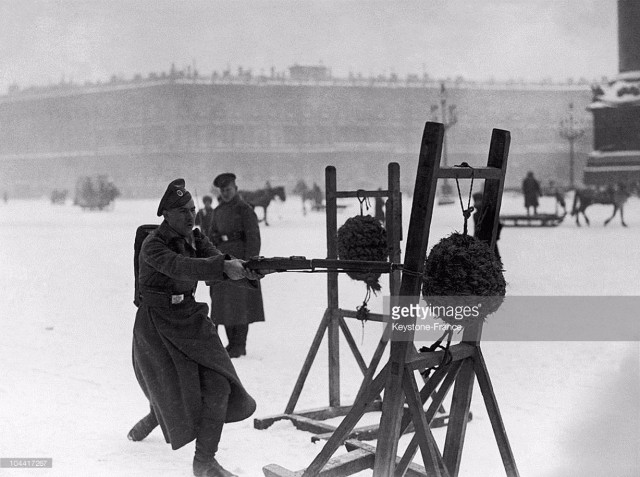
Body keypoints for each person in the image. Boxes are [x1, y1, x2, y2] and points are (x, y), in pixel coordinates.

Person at [128, 178, 261, 477]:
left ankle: (204, 462)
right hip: (158, 325)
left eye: (191, 210)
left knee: (218, 384)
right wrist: (221, 267)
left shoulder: (195, 238)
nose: (191, 216)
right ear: (166, 215)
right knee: (170, 386)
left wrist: (246, 267)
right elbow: (182, 267)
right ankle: (155, 414)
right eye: (183, 212)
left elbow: (215, 260)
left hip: (190, 316)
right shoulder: (154, 245)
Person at [208, 173, 265, 358]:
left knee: (240, 306)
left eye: (228, 189)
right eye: (223, 190)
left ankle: (239, 345)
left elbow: (253, 237)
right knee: (224, 306)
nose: (225, 193)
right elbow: (210, 237)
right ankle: (231, 343)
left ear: (236, 189)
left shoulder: (245, 209)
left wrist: (250, 264)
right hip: (223, 262)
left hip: (241, 262)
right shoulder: (217, 211)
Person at [472, 192, 502, 264]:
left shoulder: (486, 213)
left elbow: (498, 225)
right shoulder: (479, 214)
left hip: (486, 240)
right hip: (485, 240)